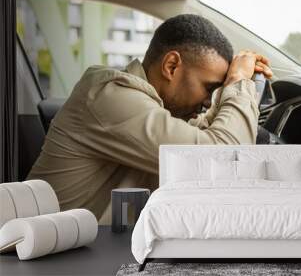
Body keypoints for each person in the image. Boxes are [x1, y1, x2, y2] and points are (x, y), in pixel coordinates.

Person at [28, 14, 272, 224]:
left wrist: (234, 89)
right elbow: (222, 159)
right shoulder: (111, 96)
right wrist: (239, 82)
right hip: (47, 254)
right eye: (208, 88)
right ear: (172, 66)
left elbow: (202, 134)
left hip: (85, 248)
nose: (209, 100)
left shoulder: (152, 108)